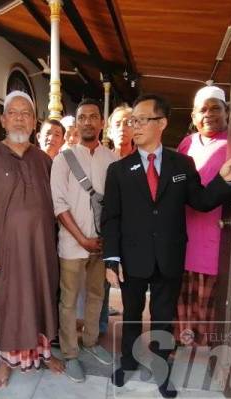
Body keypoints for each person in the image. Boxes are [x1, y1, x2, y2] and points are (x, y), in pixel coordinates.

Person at [102, 93, 231, 398]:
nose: (136, 126)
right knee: (131, 312)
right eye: (133, 120)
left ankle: (161, 369)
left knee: (163, 315)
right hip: (133, 257)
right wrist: (111, 259)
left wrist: (223, 180)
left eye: (143, 119)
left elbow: (201, 201)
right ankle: (128, 361)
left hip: (170, 255)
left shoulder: (182, 163)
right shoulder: (119, 170)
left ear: (162, 123)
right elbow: (111, 218)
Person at [0, 90, 65, 387]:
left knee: (44, 299)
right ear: (3, 119)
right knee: (8, 305)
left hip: (42, 250)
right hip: (4, 251)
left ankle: (45, 354)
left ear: (34, 122)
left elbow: (60, 204)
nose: (20, 119)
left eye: (26, 114)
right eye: (14, 113)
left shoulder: (45, 161)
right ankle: (7, 361)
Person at [50, 99, 117, 382]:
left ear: (102, 123)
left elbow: (116, 205)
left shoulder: (112, 160)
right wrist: (82, 239)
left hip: (101, 245)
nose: (87, 121)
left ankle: (90, 343)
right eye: (82, 117)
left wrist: (105, 241)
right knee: (68, 300)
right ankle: (70, 353)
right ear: (75, 124)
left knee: (97, 296)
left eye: (93, 117)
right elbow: (59, 204)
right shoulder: (62, 159)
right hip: (71, 244)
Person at [175, 86, 230, 346]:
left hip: (215, 232)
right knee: (183, 290)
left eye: (215, 108)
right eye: (202, 110)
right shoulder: (187, 143)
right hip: (184, 231)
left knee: (207, 291)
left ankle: (206, 343)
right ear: (194, 116)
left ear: (226, 111)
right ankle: (183, 338)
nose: (208, 114)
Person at [99, 104, 135, 334]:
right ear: (110, 129)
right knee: (102, 285)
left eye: (128, 122)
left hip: (135, 238)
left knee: (133, 291)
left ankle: (131, 338)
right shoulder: (103, 159)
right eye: (118, 124)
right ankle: (101, 326)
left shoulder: (145, 158)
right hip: (109, 234)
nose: (123, 128)